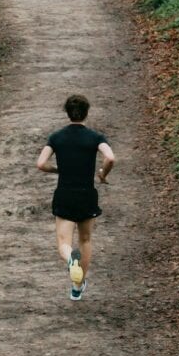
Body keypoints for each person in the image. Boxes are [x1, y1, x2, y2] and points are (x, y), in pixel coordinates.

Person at [36, 94, 115, 300]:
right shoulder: (95, 137)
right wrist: (102, 174)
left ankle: (71, 259)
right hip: (87, 194)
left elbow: (41, 163)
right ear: (86, 112)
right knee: (85, 239)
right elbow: (110, 157)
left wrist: (57, 170)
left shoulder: (57, 137)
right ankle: (77, 287)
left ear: (67, 113)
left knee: (64, 242)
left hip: (64, 194)